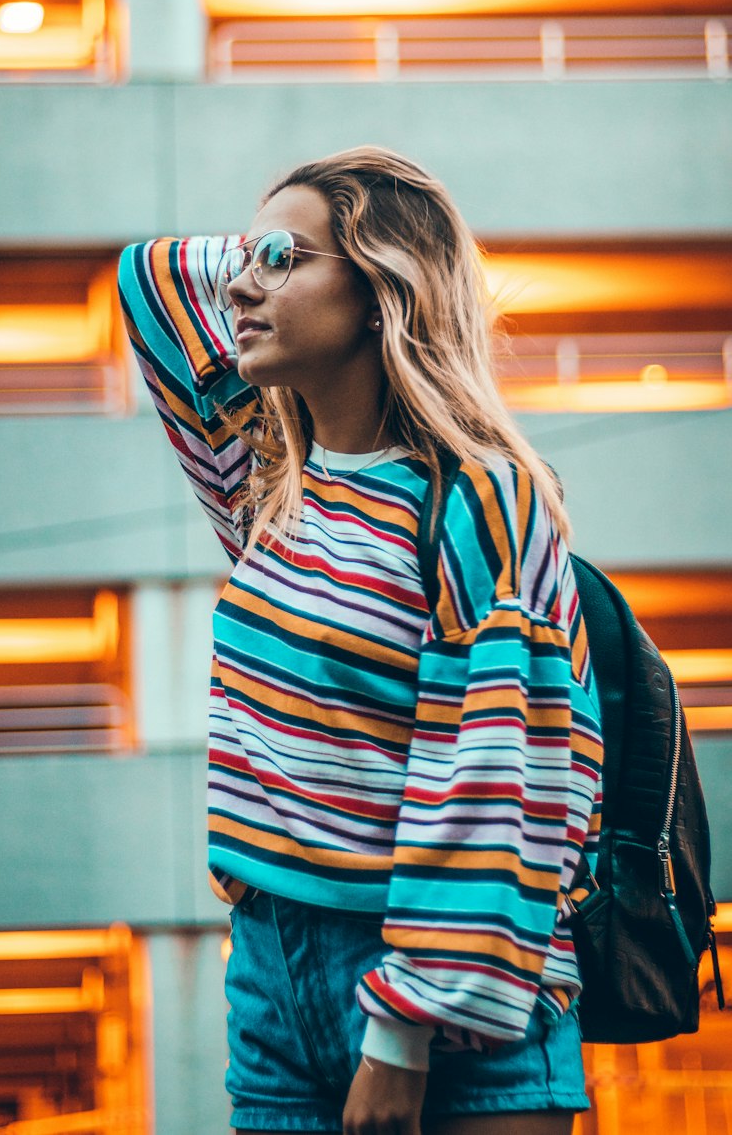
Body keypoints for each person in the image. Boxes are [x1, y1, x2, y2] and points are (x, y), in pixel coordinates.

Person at [118, 147, 604, 1135]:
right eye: (244, 260)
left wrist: (400, 1034)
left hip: (459, 988)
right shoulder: (267, 486)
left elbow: (494, 774)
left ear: (383, 290)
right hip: (269, 968)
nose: (241, 285)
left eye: (279, 259)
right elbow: (146, 278)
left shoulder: (479, 498)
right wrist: (284, 245)